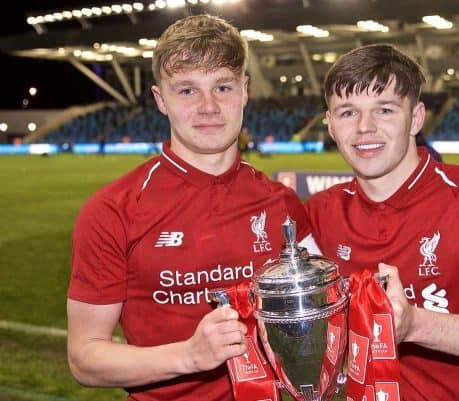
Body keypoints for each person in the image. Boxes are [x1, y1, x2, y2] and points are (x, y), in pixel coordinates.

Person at [66, 14, 319, 401]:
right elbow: (85, 358)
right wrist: (189, 356)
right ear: (159, 100)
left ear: (245, 90)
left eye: (222, 86)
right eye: (187, 90)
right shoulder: (113, 210)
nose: (208, 106)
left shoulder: (282, 205)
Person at [304, 44, 459, 401]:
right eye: (347, 113)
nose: (364, 128)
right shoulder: (319, 212)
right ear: (329, 123)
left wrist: (415, 324)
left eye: (385, 110)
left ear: (416, 118)